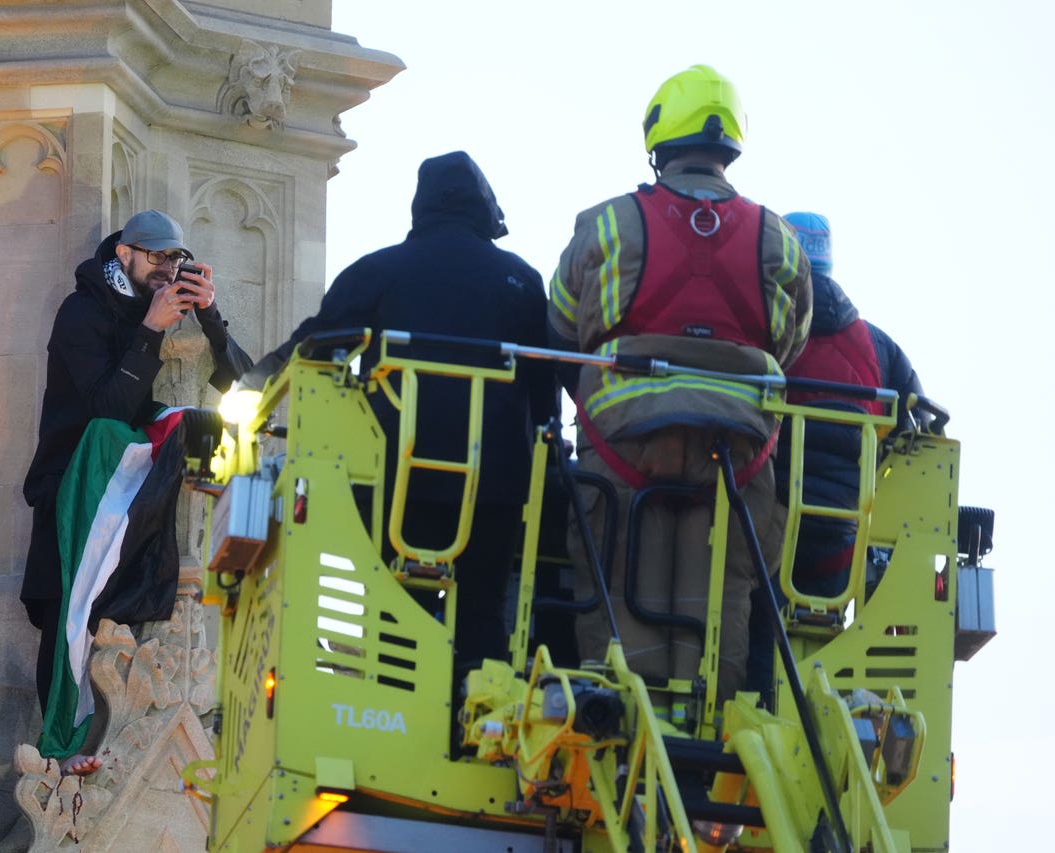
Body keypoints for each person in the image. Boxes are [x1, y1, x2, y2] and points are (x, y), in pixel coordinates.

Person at [546, 65, 812, 721]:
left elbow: (558, 325)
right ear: (731, 147)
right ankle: (705, 728)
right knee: (719, 593)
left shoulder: (606, 224)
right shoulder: (781, 239)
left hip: (622, 438)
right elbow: (793, 343)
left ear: (658, 141)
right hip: (739, 448)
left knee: (614, 577)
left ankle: (614, 718)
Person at [235, 151, 559, 665]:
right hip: (493, 483)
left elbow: (315, 344)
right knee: (481, 608)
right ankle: (479, 723)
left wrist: (249, 387)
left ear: (420, 205)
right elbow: (545, 388)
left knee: (384, 606)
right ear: (483, 207)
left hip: (392, 479)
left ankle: (385, 711)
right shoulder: (520, 280)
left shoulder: (378, 271)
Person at [21, 209, 252, 774]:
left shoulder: (180, 306)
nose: (168, 268)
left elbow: (246, 387)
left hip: (143, 499)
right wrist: (150, 330)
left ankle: (113, 748)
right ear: (124, 254)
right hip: (74, 492)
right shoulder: (83, 312)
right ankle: (62, 749)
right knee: (68, 618)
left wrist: (212, 316)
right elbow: (108, 411)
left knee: (127, 622)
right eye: (157, 257)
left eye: (176, 258)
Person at [745, 212, 925, 698]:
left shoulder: (765, 331)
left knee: (758, 628)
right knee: (820, 637)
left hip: (770, 519)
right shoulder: (878, 345)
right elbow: (919, 423)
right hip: (845, 530)